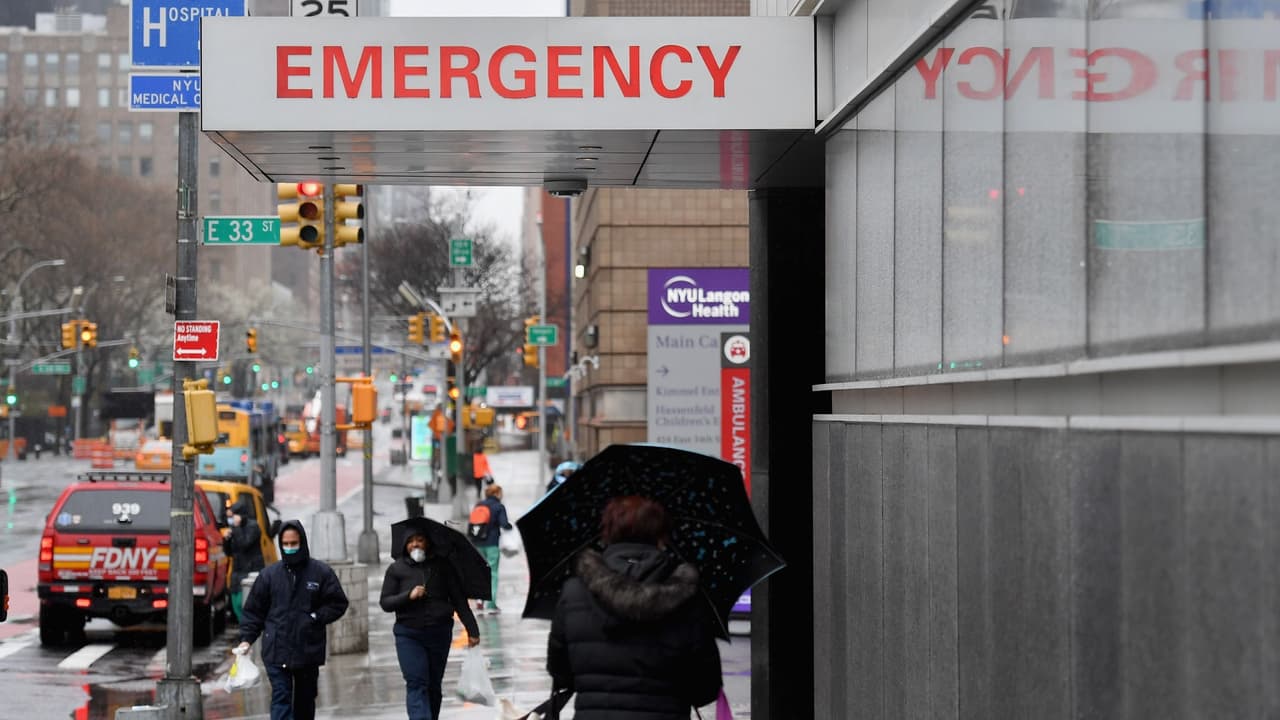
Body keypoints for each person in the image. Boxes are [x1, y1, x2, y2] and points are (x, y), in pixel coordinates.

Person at [547, 496, 722, 719]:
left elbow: (560, 672)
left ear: (607, 533)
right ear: (661, 536)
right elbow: (706, 686)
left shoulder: (574, 593)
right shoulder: (687, 597)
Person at [236, 520, 349, 720]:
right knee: (281, 697)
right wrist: (246, 639)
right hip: (277, 649)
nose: (289, 548)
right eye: (285, 544)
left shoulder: (320, 572)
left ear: (302, 542)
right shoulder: (269, 576)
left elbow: (338, 603)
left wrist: (315, 617)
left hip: (307, 650)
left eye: (293, 543)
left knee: (305, 701)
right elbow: (254, 611)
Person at [380, 530, 481, 720]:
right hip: (408, 635)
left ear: (428, 543)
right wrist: (408, 596)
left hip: (439, 634)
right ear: (405, 545)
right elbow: (386, 602)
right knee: (416, 682)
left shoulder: (443, 567)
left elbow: (459, 601)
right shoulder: (396, 569)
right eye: (411, 541)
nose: (415, 545)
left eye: (420, 540)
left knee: (434, 685)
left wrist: (472, 630)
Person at [469, 484, 512, 613]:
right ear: (497, 494)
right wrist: (510, 527)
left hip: (477, 543)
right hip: (492, 543)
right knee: (492, 573)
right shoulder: (499, 506)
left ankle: (479, 599)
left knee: (480, 572)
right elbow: (504, 524)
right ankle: (491, 605)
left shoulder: (479, 505)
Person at [222, 497, 265, 623]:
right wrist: (227, 540)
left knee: (245, 604)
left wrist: (236, 529)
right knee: (235, 604)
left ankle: (248, 628)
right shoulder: (235, 529)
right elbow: (229, 552)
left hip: (249, 572)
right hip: (237, 572)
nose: (232, 519)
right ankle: (243, 626)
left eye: (233, 516)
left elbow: (244, 544)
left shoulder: (252, 527)